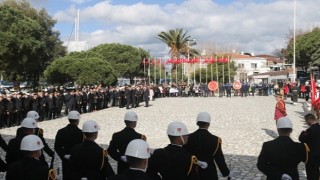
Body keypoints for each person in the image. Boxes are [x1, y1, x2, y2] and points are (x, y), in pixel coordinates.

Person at [184, 112, 230, 180]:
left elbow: (184, 155)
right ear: (209, 124)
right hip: (209, 172)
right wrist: (226, 173)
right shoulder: (215, 140)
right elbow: (219, 159)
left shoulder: (188, 137)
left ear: (197, 123)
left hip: (193, 171)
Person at [54, 110, 83, 179]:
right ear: (77, 121)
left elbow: (57, 147)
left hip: (65, 160)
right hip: (77, 161)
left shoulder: (61, 131)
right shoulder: (81, 133)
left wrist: (63, 155)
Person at [299, 114, 320, 180]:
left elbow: (301, 139)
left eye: (306, 121)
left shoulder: (310, 130)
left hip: (311, 155)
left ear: (309, 120)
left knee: (311, 173)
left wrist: (302, 133)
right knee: (317, 171)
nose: (306, 123)